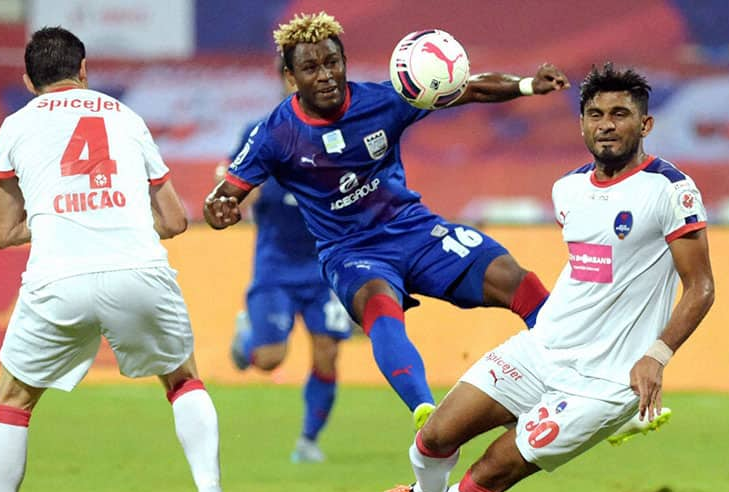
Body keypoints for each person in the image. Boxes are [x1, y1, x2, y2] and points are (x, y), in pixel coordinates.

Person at [345, 62, 715, 492]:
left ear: (646, 125)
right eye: (595, 114)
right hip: (543, 349)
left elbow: (700, 287)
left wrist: (657, 354)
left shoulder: (669, 191)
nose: (607, 124)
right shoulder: (568, 189)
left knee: (493, 468)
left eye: (620, 114)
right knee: (436, 434)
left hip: (605, 382)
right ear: (582, 124)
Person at [0, 27, 239, 492]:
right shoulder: (127, 117)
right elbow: (175, 220)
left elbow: (1, 231)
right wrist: (114, 214)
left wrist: (61, 216)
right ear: (84, 70)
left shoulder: (16, 125)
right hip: (140, 271)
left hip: (58, 278)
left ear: (29, 80)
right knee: (182, 381)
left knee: (13, 401)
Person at [203, 12, 568, 432]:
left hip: (413, 229)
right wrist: (221, 210)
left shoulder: (383, 102)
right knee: (379, 304)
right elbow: (224, 196)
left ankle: (573, 379)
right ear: (290, 78)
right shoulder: (274, 134)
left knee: (514, 277)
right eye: (310, 67)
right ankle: (428, 414)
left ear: (344, 62)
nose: (325, 75)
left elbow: (466, 89)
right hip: (350, 253)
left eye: (332, 63)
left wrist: (526, 85)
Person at [224, 58, 353, 463]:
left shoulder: (343, 134)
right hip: (276, 267)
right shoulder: (262, 133)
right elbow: (234, 183)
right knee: (268, 360)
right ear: (287, 81)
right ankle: (248, 338)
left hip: (324, 265)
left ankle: (308, 441)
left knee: (328, 351)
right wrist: (238, 192)